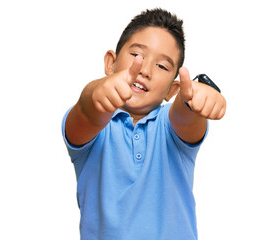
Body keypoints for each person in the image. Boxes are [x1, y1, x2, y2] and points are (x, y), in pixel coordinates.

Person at [61, 8, 226, 239]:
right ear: (111, 63)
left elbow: (184, 117)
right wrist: (97, 90)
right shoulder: (95, 130)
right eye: (137, 55)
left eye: (162, 66)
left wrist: (193, 102)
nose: (145, 70)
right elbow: (88, 111)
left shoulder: (170, 127)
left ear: (172, 89)